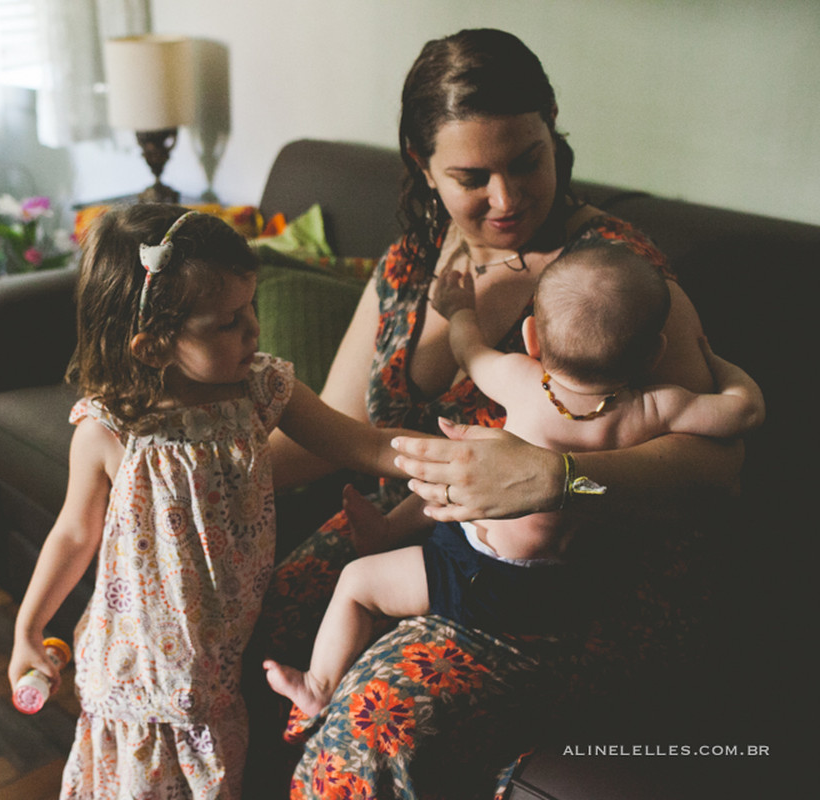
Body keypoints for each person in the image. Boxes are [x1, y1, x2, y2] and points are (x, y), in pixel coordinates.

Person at [244, 28, 745, 798]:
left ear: (554, 132)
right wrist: (186, 470)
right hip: (421, 535)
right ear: (423, 165)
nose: (507, 199)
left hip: (571, 590)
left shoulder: (612, 281)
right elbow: (338, 429)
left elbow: (715, 475)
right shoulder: (412, 261)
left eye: (527, 161)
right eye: (472, 175)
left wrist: (557, 477)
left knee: (379, 718)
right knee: (254, 617)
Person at [7, 204, 413, 799]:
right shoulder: (112, 430)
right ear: (152, 347)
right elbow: (74, 534)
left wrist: (457, 458)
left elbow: (363, 445)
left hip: (215, 680)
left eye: (250, 306)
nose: (252, 328)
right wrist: (28, 626)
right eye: (226, 322)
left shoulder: (263, 390)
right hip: (135, 676)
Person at [262, 241, 764, 718]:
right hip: (566, 580)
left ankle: (318, 686)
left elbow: (468, 348)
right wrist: (722, 366)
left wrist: (460, 308)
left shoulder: (522, 379)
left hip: (490, 581)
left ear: (533, 338)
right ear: (654, 353)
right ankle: (391, 532)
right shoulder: (656, 407)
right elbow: (743, 415)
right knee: (468, 460)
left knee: (357, 582)